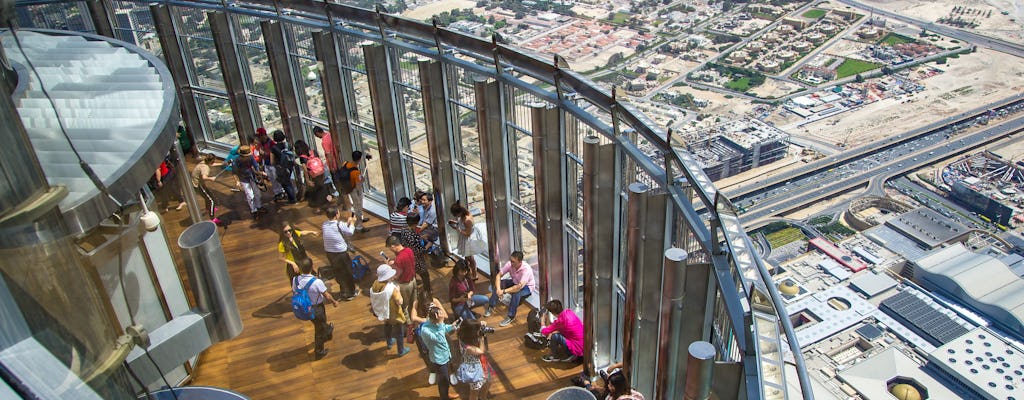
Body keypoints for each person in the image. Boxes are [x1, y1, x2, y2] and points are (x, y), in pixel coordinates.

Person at [292, 257, 337, 360]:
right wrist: (334, 302)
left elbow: (294, 291)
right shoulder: (317, 282)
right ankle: (319, 351)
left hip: (305, 308)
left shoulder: (295, 280)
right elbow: (327, 295)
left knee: (318, 324)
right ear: (312, 267)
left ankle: (327, 331)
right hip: (317, 308)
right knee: (319, 330)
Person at [419, 303, 460, 399]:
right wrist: (441, 322)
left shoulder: (436, 323)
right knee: (443, 381)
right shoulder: (425, 330)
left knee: (445, 380)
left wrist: (452, 326)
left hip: (446, 355)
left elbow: (444, 328)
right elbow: (440, 339)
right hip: (439, 359)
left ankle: (445, 394)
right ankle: (444, 397)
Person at [486, 250, 536, 327]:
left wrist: (503, 291)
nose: (511, 263)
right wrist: (499, 289)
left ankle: (511, 316)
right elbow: (498, 276)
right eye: (511, 261)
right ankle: (491, 306)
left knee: (516, 293)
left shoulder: (526, 270)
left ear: (520, 262)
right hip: (515, 282)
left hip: (527, 287)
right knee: (500, 283)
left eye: (513, 262)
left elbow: (518, 287)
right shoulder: (510, 264)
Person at [369, 264, 411, 357]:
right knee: (399, 331)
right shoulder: (392, 289)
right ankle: (401, 350)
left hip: (383, 311)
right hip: (394, 313)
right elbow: (400, 301)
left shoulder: (375, 284)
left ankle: (389, 342)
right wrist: (398, 291)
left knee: (387, 326)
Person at [410, 290, 447, 385]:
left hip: (435, 330)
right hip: (422, 332)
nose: (427, 305)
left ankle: (447, 371)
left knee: (440, 351)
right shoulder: (417, 303)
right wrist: (427, 320)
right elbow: (413, 317)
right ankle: (432, 371)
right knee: (426, 353)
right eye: (425, 304)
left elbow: (445, 315)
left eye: (428, 303)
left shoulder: (435, 301)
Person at [322, 207, 358, 300]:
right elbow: (350, 232)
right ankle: (351, 293)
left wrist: (348, 222)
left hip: (330, 253)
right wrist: (352, 222)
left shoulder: (324, 224)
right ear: (337, 215)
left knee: (338, 272)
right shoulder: (339, 224)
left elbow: (339, 228)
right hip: (341, 253)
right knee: (348, 272)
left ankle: (343, 291)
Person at [396, 212, 431, 296]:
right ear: (417, 222)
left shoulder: (404, 230)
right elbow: (420, 250)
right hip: (417, 260)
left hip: (408, 258)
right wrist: (428, 245)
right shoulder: (413, 235)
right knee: (425, 275)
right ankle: (427, 293)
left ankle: (414, 292)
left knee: (413, 276)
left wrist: (420, 237)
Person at [449, 201, 485, 280]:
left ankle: (474, 275)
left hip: (469, 240)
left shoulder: (467, 220)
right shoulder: (463, 215)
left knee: (470, 258)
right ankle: (468, 271)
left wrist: (458, 229)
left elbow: (468, 233)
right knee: (467, 257)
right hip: (465, 239)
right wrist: (456, 223)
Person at [456, 319, 492, 400]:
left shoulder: (461, 332)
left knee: (488, 381)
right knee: (474, 392)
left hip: (482, 363)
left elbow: (467, 325)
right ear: (471, 333)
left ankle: (483, 397)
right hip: (474, 369)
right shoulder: (468, 347)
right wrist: (482, 337)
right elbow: (481, 351)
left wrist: (480, 324)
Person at [231, 145, 267, 220]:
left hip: (252, 177)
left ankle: (259, 206)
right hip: (243, 179)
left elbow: (256, 166)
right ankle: (254, 210)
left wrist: (259, 173)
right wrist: (237, 181)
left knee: (257, 192)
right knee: (250, 195)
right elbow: (234, 172)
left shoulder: (251, 157)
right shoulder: (236, 160)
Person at [385, 235, 416, 319]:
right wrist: (394, 262)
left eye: (390, 248)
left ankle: (408, 325)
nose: (390, 250)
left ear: (393, 246)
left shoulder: (399, 259)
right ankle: (415, 319)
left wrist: (389, 267)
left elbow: (396, 276)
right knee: (413, 303)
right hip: (413, 281)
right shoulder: (409, 250)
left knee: (404, 306)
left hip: (405, 285)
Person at [278, 221, 319, 285]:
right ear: (282, 233)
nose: (288, 233)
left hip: (303, 263)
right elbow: (281, 258)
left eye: (290, 230)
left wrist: (311, 232)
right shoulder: (282, 244)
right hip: (294, 266)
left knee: (309, 282)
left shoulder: (295, 234)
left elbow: (302, 232)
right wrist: (293, 263)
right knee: (298, 285)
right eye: (285, 232)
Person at [338, 151, 369, 232]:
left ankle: (359, 218)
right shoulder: (356, 172)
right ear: (359, 159)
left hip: (347, 188)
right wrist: (362, 180)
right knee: (358, 207)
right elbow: (358, 185)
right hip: (354, 190)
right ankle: (359, 226)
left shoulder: (345, 163)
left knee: (355, 206)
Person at [190, 152, 222, 225]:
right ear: (211, 160)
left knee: (208, 195)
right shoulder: (205, 167)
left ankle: (208, 208)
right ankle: (212, 218)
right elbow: (204, 177)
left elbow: (212, 164)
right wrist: (211, 178)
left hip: (197, 183)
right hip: (198, 185)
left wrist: (222, 164)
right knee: (211, 200)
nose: (214, 162)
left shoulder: (204, 162)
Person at [270, 130, 297, 204]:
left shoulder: (274, 148)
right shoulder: (288, 145)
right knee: (288, 181)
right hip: (290, 166)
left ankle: (292, 199)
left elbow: (272, 161)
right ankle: (294, 196)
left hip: (280, 167)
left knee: (285, 183)